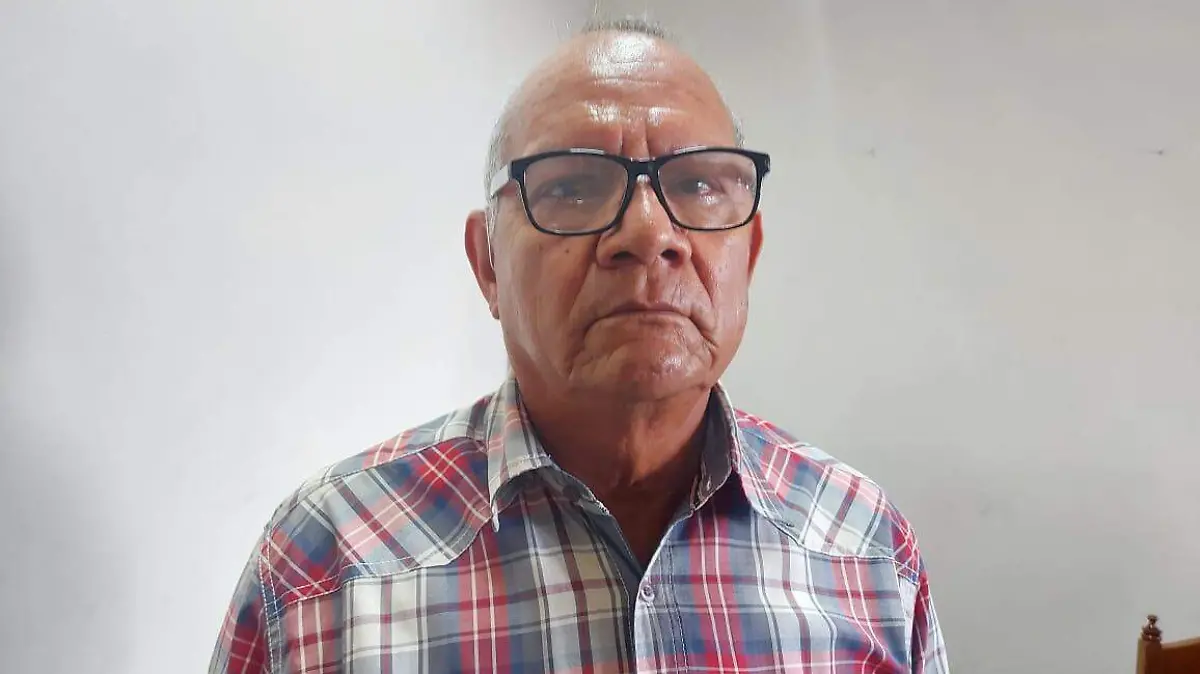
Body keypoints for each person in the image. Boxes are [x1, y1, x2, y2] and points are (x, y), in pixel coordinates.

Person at [210, 17, 949, 674]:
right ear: (488, 262)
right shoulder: (327, 564)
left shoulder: (863, 547)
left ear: (747, 255)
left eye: (697, 184)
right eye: (572, 187)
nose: (649, 234)